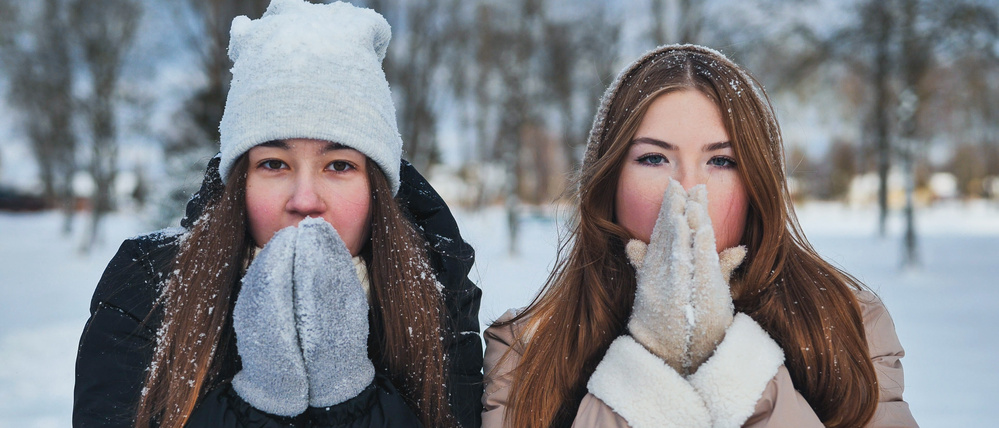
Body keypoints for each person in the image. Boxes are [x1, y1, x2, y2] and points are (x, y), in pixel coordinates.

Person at [73, 1, 483, 427]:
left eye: (339, 166)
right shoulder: (150, 287)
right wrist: (258, 404)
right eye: (274, 164)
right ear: (239, 182)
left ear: (376, 188)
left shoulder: (435, 296)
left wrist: (349, 401)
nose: (305, 200)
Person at [482, 44, 917, 428]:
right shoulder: (526, 350)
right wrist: (648, 367)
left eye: (722, 162)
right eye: (653, 159)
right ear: (609, 179)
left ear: (756, 184)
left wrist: (735, 370)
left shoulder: (845, 323)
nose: (689, 188)